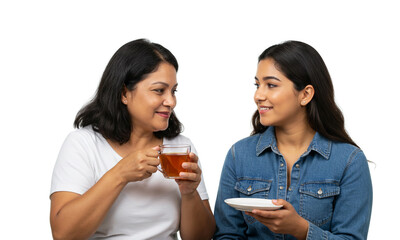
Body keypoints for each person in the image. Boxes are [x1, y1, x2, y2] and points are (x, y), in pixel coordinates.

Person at [50, 39, 215, 240]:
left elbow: (203, 238)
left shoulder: (180, 147)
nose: (171, 101)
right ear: (124, 93)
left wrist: (190, 193)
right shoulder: (82, 144)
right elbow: (63, 234)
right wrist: (120, 174)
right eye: (159, 90)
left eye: (173, 91)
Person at [214, 41, 373, 240]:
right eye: (257, 85)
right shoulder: (240, 155)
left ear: (305, 94)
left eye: (271, 85)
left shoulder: (349, 161)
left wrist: (301, 229)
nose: (258, 95)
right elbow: (227, 235)